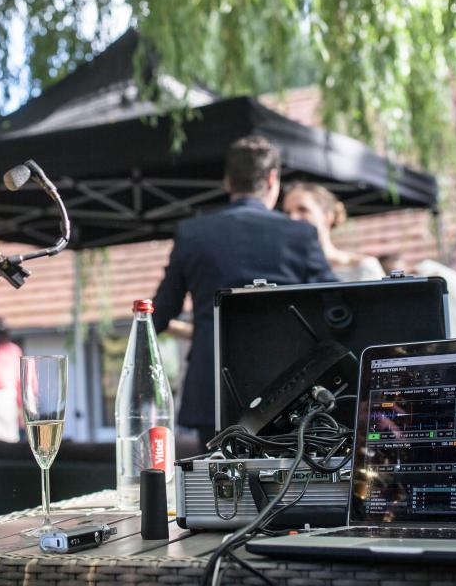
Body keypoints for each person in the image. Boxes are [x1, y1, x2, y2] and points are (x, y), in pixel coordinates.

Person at [152, 135, 335, 452]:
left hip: (211, 390)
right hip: (287, 391)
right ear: (272, 179)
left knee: (216, 480)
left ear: (228, 181)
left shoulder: (192, 234)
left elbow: (160, 313)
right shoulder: (299, 235)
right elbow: (336, 304)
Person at [281, 181, 386, 281]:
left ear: (327, 216)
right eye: (287, 213)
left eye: (303, 210)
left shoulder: (363, 266)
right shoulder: (285, 268)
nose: (292, 218)